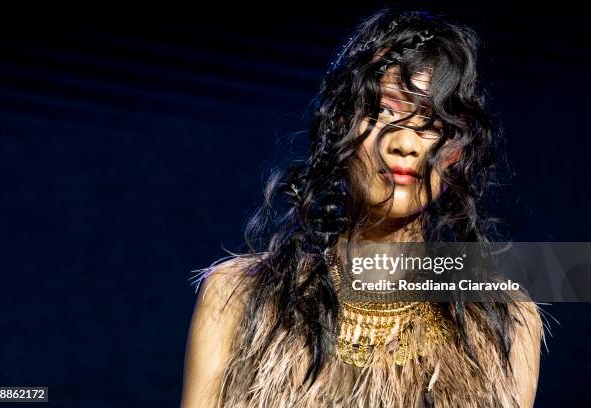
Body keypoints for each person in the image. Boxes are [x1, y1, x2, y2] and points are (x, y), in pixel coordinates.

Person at [181, 7, 544, 408]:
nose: (405, 143)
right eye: (383, 111)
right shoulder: (239, 296)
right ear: (341, 124)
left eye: (432, 122)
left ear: (457, 153)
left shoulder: (503, 322)